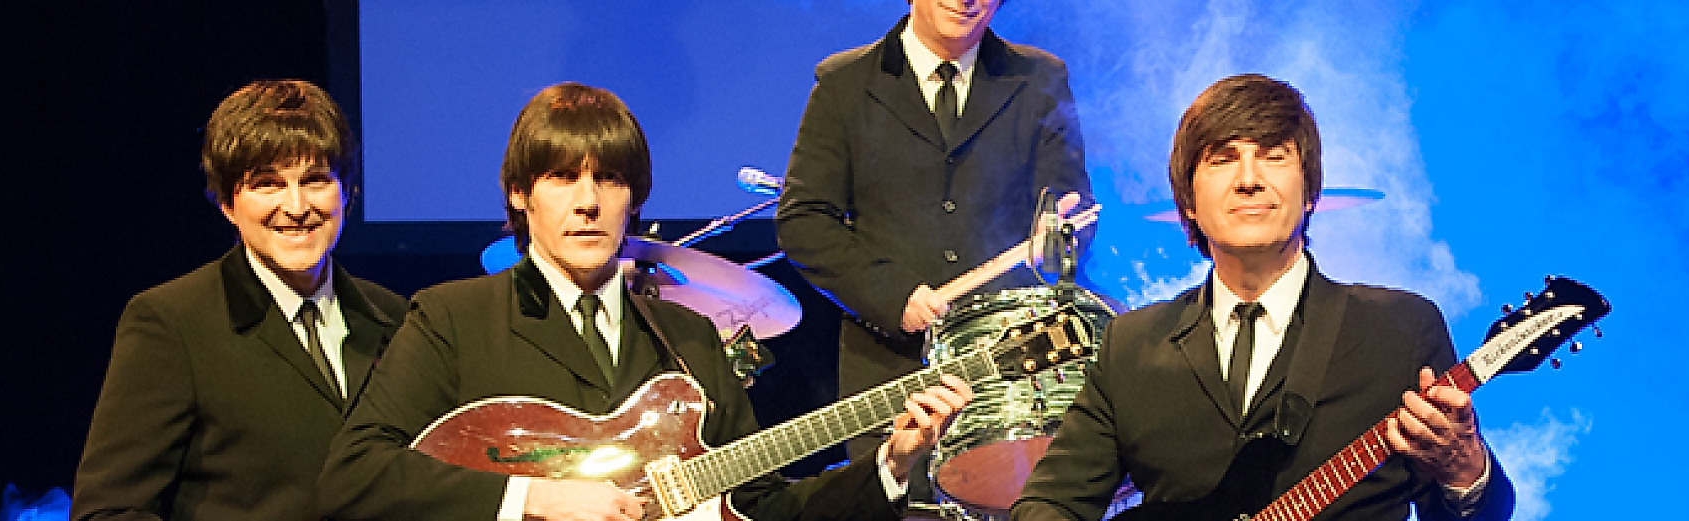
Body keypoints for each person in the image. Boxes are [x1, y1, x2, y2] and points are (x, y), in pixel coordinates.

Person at [320, 83, 974, 521]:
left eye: (609, 179)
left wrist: (892, 461)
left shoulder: (688, 338)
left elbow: (763, 506)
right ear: (519, 194)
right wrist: (534, 496)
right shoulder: (452, 318)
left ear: (633, 197)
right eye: (562, 177)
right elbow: (354, 475)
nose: (588, 201)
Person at [1010, 75, 1515, 521]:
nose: (1249, 179)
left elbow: (1469, 517)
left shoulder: (1401, 329)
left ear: (1310, 191)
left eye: (1274, 156)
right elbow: (1048, 502)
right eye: (1223, 159)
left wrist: (1464, 467)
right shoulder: (1132, 344)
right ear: (1188, 201)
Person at [72, 79, 410, 521]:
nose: (296, 207)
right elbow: (108, 510)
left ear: (347, 191)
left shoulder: (394, 318)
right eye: (267, 184)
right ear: (227, 204)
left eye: (315, 181)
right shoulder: (172, 323)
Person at [776, 0, 1091, 461]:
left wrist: (1059, 237)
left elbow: (1073, 211)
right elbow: (804, 220)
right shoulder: (844, 82)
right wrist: (894, 297)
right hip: (890, 368)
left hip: (1014, 366)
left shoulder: (1039, 77)